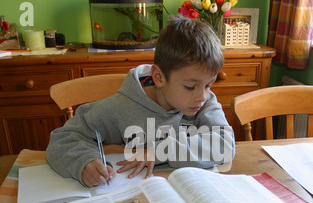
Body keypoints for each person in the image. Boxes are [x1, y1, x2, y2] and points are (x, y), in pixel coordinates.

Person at [46, 15, 235, 187]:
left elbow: (225, 145)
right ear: (159, 77)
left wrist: (161, 150)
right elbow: (63, 138)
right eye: (190, 87)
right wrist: (83, 162)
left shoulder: (204, 102)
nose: (202, 96)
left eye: (209, 85)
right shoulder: (120, 107)